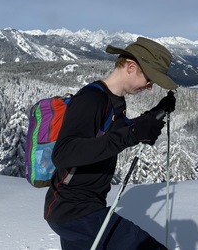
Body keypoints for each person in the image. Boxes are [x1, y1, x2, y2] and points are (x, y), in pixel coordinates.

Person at [45, 36, 177, 250]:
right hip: (75, 211)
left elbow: (117, 134)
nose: (150, 87)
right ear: (131, 67)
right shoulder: (91, 99)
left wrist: (154, 115)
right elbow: (63, 154)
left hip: (82, 209)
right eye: (150, 79)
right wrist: (132, 134)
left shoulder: (115, 101)